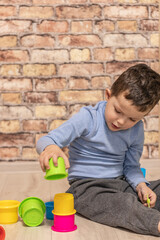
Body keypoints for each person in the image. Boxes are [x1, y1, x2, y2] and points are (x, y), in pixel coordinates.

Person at [36, 64, 160, 236]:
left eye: (132, 118)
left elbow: (131, 167)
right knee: (122, 205)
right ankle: (155, 223)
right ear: (108, 95)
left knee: (151, 190)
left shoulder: (136, 130)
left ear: (142, 117)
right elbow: (47, 139)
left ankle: (139, 202)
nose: (121, 122)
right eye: (117, 110)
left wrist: (141, 185)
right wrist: (51, 148)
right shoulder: (88, 118)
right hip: (87, 188)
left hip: (121, 183)